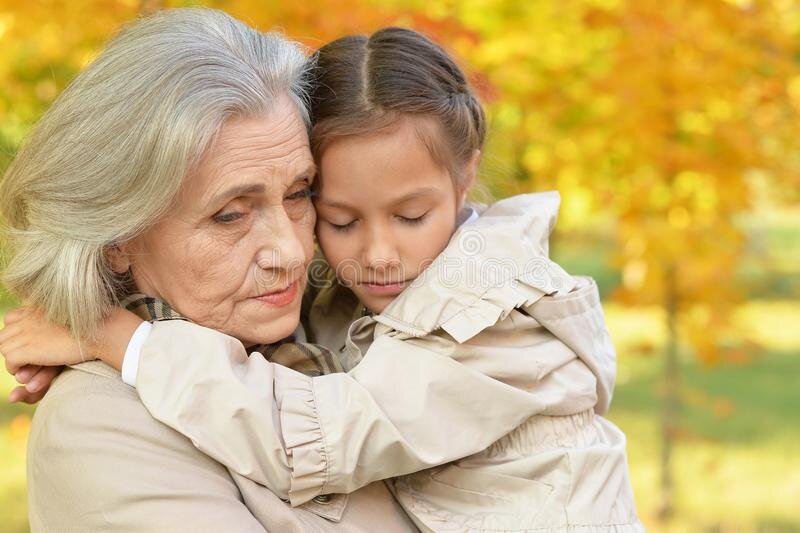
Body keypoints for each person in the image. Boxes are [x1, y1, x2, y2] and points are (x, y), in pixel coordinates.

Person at [2, 26, 643, 531]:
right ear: (116, 238)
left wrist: (116, 333)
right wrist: (103, 329)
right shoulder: (104, 432)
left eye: (300, 194)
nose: (289, 248)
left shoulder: (469, 313)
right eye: (231, 213)